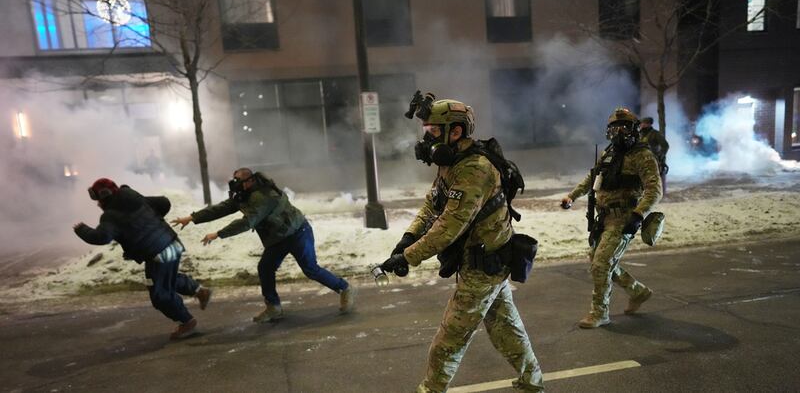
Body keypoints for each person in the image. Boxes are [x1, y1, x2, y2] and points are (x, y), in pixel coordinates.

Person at [381, 95, 544, 393]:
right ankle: (533, 380)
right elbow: (432, 205)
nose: (426, 138)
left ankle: (431, 389)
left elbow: (448, 228)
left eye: (432, 131)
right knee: (504, 327)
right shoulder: (452, 162)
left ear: (454, 132)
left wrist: (408, 257)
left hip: (485, 265)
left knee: (449, 341)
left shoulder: (475, 170)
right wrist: (408, 238)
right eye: (426, 131)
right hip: (482, 261)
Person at [172, 168, 355, 322]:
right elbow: (222, 208)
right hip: (277, 239)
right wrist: (192, 218)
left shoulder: (262, 197)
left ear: (250, 181)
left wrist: (218, 234)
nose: (235, 184)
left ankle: (344, 288)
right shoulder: (245, 195)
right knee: (265, 268)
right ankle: (273, 307)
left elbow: (247, 222)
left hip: (298, 233)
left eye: (238, 180)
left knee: (310, 269)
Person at [561, 108, 662, 329]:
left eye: (624, 127)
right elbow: (592, 178)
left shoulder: (642, 155)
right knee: (599, 261)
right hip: (603, 219)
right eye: (614, 128)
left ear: (633, 130)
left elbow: (654, 190)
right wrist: (572, 196)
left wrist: (639, 215)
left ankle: (599, 313)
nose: (618, 132)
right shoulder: (609, 153)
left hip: (624, 219)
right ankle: (638, 292)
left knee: (601, 263)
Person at [73, 178, 211, 340]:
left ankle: (187, 322)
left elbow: (101, 237)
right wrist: (154, 221)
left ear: (104, 197)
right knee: (166, 278)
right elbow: (164, 203)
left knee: (160, 295)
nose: (97, 204)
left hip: (158, 253)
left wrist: (82, 230)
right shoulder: (135, 197)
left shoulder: (110, 216)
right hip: (173, 243)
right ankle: (199, 291)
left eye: (98, 200)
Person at [639, 117, 669, 193]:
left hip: (653, 159)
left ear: (648, 124)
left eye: (643, 123)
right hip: (641, 160)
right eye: (642, 123)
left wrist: (660, 156)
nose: (641, 125)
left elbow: (665, 145)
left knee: (654, 179)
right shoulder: (640, 134)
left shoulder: (655, 134)